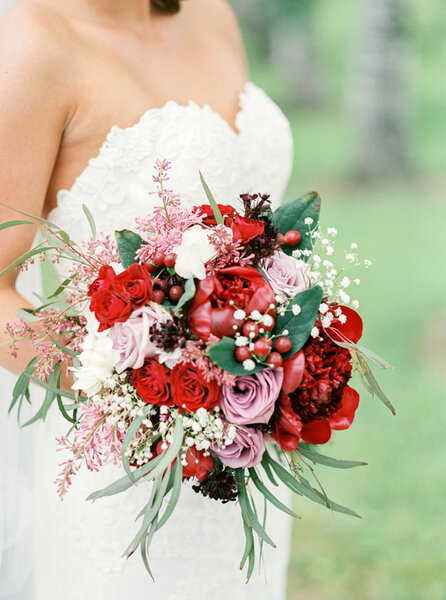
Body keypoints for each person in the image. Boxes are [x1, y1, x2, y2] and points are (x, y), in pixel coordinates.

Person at [0, 1, 294, 598]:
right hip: (122, 469)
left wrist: (283, 366)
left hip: (245, 447)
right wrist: (142, 400)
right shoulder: (32, 45)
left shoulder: (211, 13)